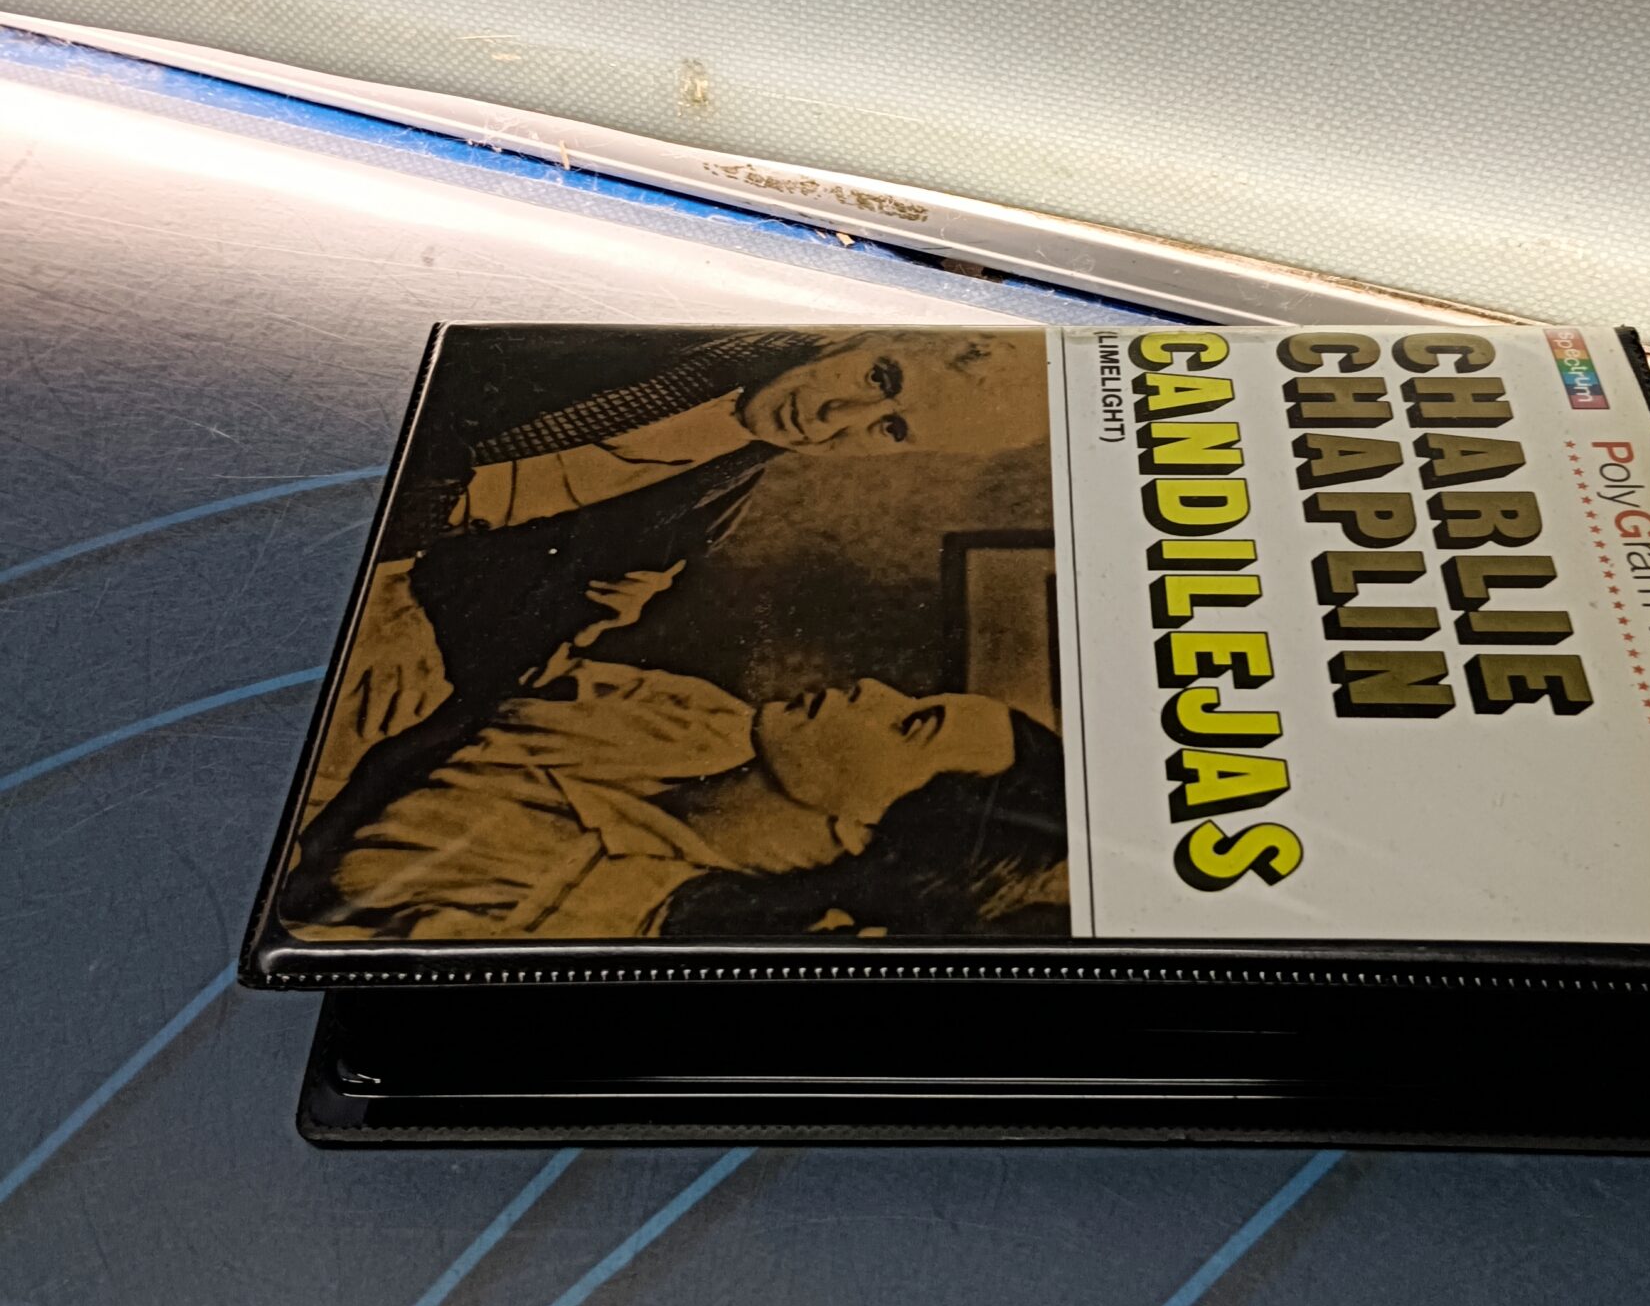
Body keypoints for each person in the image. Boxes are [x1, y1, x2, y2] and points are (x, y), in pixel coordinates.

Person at [349, 327, 1049, 758]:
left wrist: (591, 613)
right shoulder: (666, 337)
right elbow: (420, 390)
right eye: (879, 376)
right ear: (865, 333)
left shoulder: (718, 505)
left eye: (890, 430)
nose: (835, 416)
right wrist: (387, 588)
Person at [286, 568, 1068, 944]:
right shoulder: (701, 716)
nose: (873, 689)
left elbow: (315, 933)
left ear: (866, 829)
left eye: (909, 726)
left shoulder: (591, 914)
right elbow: (465, 689)